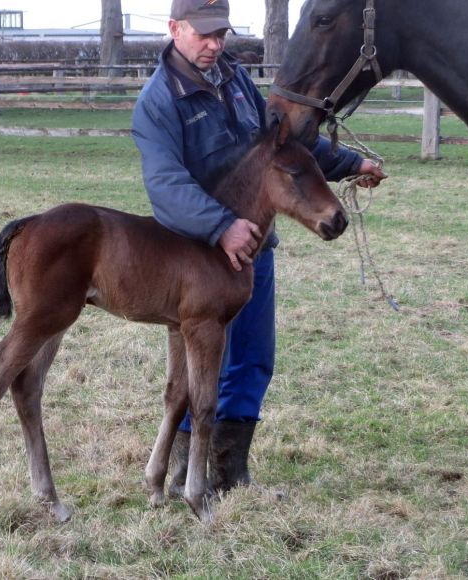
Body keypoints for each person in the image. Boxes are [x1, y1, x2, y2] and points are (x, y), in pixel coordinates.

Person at [132, 0, 387, 496]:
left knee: (252, 356)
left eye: (220, 33)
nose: (214, 44)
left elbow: (284, 146)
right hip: (198, 253)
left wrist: (351, 164)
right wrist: (222, 227)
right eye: (203, 34)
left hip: (255, 246)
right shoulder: (158, 101)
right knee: (203, 361)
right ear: (173, 29)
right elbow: (164, 184)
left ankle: (229, 468)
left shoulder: (235, 77)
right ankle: (186, 465)